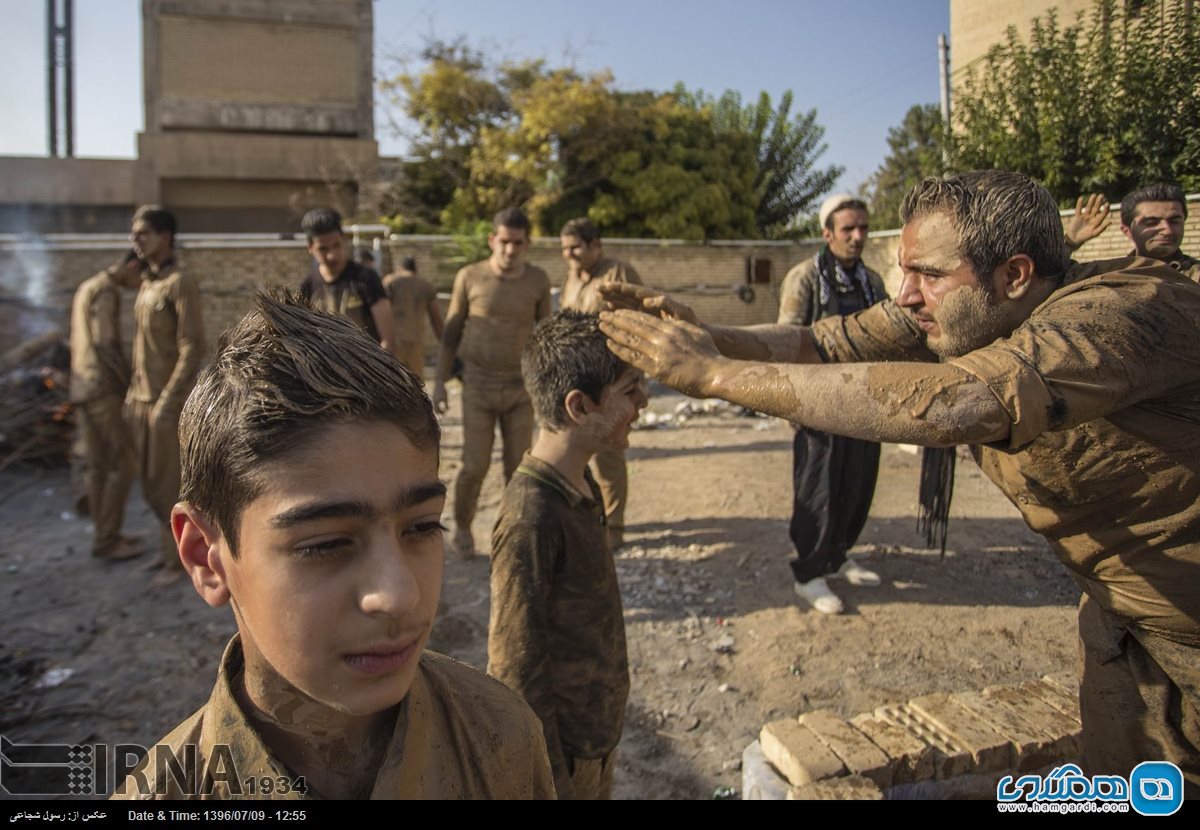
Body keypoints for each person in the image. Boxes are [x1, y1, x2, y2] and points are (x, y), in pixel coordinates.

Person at [599, 170, 1200, 794]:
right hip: (1119, 617)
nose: (907, 296)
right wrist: (710, 338)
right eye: (906, 272)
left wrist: (716, 376)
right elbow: (823, 341)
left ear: (1015, 276)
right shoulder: (960, 311)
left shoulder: (1129, 312)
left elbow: (968, 399)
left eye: (930, 276)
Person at [112, 290, 556, 800]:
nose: (399, 594)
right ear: (206, 558)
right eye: (325, 544)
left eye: (421, 527)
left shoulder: (500, 738)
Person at [488, 310, 647, 799]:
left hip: (595, 741)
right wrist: (546, 778)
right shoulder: (530, 517)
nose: (642, 403)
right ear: (579, 406)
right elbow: (514, 668)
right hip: (563, 764)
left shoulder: (583, 484)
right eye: (629, 390)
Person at [776, 195, 888, 614]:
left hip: (863, 405)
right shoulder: (804, 278)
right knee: (818, 490)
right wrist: (791, 403)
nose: (858, 236)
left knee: (855, 487)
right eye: (848, 229)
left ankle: (839, 556)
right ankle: (809, 573)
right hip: (818, 406)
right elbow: (786, 343)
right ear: (828, 234)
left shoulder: (871, 282)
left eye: (863, 228)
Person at [433, 207, 551, 559]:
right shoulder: (469, 277)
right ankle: (464, 527)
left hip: (520, 387)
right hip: (478, 385)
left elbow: (545, 336)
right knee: (474, 465)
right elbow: (451, 332)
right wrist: (439, 382)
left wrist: (548, 389)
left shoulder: (538, 281)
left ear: (527, 244)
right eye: (504, 242)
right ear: (492, 240)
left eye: (518, 243)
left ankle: (514, 531)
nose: (510, 250)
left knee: (519, 466)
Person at [125, 205, 205, 586]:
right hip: (139, 401)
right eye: (134, 233)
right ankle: (164, 555)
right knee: (152, 484)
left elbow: (191, 347)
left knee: (174, 485)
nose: (135, 241)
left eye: (143, 233)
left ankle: (181, 565)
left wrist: (168, 402)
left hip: (166, 405)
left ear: (165, 236)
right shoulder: (146, 284)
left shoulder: (180, 283)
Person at [559, 217, 645, 549]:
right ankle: (591, 520)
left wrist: (633, 380)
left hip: (613, 378)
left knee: (608, 453)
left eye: (576, 247)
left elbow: (639, 322)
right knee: (578, 452)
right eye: (565, 249)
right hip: (579, 380)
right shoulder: (570, 278)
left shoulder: (618, 274)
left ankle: (615, 528)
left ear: (596, 245)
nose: (570, 254)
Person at [69, 250, 144, 561]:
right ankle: (107, 539)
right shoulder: (107, 291)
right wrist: (129, 383)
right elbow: (105, 342)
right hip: (102, 389)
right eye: (139, 275)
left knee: (97, 466)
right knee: (123, 462)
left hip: (82, 388)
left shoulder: (86, 286)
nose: (139, 283)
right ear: (132, 266)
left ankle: (104, 534)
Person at [298, 207, 396, 352]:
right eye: (323, 249)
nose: (332, 255)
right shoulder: (308, 286)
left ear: (344, 240)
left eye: (336, 245)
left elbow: (388, 341)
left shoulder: (366, 279)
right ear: (311, 248)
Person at [384, 255, 444, 377]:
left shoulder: (390, 282)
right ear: (415, 269)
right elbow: (436, 319)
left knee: (392, 382)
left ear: (400, 268)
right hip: (415, 343)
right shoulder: (425, 286)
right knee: (416, 385)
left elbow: (381, 310)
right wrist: (444, 343)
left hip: (393, 342)